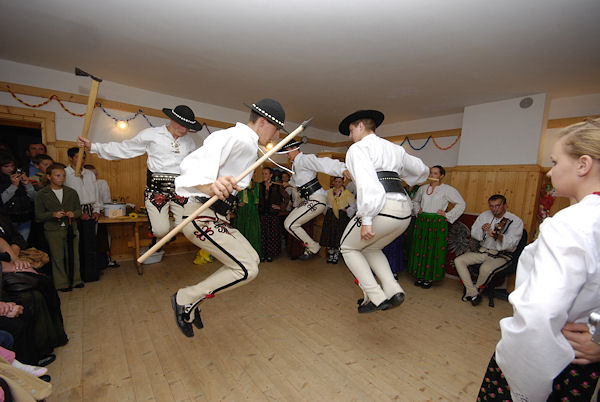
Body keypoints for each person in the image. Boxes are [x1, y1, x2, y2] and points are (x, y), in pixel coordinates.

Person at [477, 118, 600, 401]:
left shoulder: (570, 224)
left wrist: (522, 384)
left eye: (555, 163)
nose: (550, 172)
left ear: (582, 165)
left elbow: (539, 315)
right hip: (584, 358)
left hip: (551, 359)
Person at [171, 98, 286, 337]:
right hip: (201, 215)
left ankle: (192, 301)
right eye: (276, 129)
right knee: (246, 268)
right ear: (263, 122)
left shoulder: (249, 144)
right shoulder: (237, 137)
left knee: (252, 260)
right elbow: (190, 165)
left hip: (218, 216)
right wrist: (209, 186)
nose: (276, 136)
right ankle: (185, 298)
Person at [337, 110, 429, 313]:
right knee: (371, 248)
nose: (350, 136)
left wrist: (367, 220)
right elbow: (422, 170)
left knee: (347, 247)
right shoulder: (395, 148)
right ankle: (394, 290)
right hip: (404, 212)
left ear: (361, 126)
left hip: (381, 209)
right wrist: (406, 176)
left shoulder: (358, 148)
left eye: (351, 131)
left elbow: (367, 184)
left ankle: (376, 297)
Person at [77, 105, 200, 242]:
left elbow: (193, 167)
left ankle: (173, 228)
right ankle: (159, 227)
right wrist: (93, 147)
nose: (184, 130)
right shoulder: (152, 134)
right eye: (181, 125)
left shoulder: (189, 142)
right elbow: (125, 148)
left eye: (187, 127)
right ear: (172, 120)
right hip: (156, 191)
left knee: (188, 227)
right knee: (160, 230)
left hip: (180, 191)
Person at [282, 139, 348, 260]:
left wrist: (342, 169)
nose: (286, 156)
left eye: (287, 152)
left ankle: (313, 246)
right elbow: (298, 181)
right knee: (288, 224)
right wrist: (288, 184)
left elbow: (323, 163)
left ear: (294, 148)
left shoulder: (305, 159)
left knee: (290, 224)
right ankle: (312, 246)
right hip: (310, 200)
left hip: (317, 200)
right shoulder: (296, 165)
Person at [453, 194, 523, 306]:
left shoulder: (515, 221)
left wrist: (498, 236)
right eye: (491, 206)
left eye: (498, 206)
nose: (494, 209)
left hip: (501, 255)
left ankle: (473, 292)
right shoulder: (484, 215)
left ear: (505, 205)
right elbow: (474, 233)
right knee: (458, 261)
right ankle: (472, 291)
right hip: (483, 251)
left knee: (485, 269)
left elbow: (512, 243)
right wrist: (482, 230)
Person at [408, 165, 465, 289]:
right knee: (421, 247)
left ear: (442, 176)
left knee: (433, 249)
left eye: (435, 173)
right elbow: (415, 201)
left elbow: (461, 203)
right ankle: (420, 275)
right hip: (423, 222)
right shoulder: (423, 188)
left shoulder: (447, 189)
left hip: (437, 223)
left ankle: (429, 277)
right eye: (431, 173)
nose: (432, 176)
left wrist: (447, 215)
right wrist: (418, 210)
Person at [35, 163, 84, 291]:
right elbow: (38, 215)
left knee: (74, 255)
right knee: (57, 257)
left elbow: (78, 210)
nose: (61, 178)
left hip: (70, 228)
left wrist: (73, 214)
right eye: (57, 175)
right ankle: (61, 283)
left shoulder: (71, 192)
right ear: (49, 177)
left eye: (63, 175)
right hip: (53, 229)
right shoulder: (42, 194)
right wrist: (52, 214)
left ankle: (76, 280)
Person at [65, 147, 102, 282]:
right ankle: (77, 276)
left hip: (90, 210)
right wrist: (78, 213)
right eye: (78, 157)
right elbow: (66, 197)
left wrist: (97, 209)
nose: (82, 160)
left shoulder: (89, 174)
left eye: (84, 157)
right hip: (74, 212)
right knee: (76, 245)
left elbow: (96, 193)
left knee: (90, 244)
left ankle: (91, 275)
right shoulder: (66, 174)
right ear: (70, 158)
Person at [0, 152, 35, 242]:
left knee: (22, 244)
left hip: (25, 218)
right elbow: (2, 201)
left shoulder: (18, 176)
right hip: (7, 220)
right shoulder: (3, 181)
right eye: (6, 166)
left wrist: (27, 184)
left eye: (12, 166)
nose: (10, 169)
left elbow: (33, 198)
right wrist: (14, 186)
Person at [319, 176, 355, 264]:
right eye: (336, 181)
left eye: (340, 182)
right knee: (329, 234)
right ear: (333, 182)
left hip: (341, 216)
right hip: (330, 215)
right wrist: (326, 208)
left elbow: (353, 206)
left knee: (338, 234)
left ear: (342, 183)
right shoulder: (328, 192)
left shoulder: (347, 193)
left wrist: (347, 210)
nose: (338, 183)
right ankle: (330, 253)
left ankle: (336, 254)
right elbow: (324, 202)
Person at [258, 167, 289, 262]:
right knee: (262, 235)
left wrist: (281, 207)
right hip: (262, 214)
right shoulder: (259, 186)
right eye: (263, 173)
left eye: (266, 173)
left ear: (271, 175)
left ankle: (270, 255)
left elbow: (287, 197)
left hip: (273, 215)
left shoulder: (277, 186)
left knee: (272, 235)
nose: (264, 175)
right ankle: (263, 254)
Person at [233, 179, 261, 256]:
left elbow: (259, 199)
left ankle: (254, 253)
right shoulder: (238, 184)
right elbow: (233, 196)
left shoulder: (257, 185)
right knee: (241, 232)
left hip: (253, 211)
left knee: (253, 232)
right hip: (242, 211)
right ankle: (242, 254)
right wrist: (237, 203)